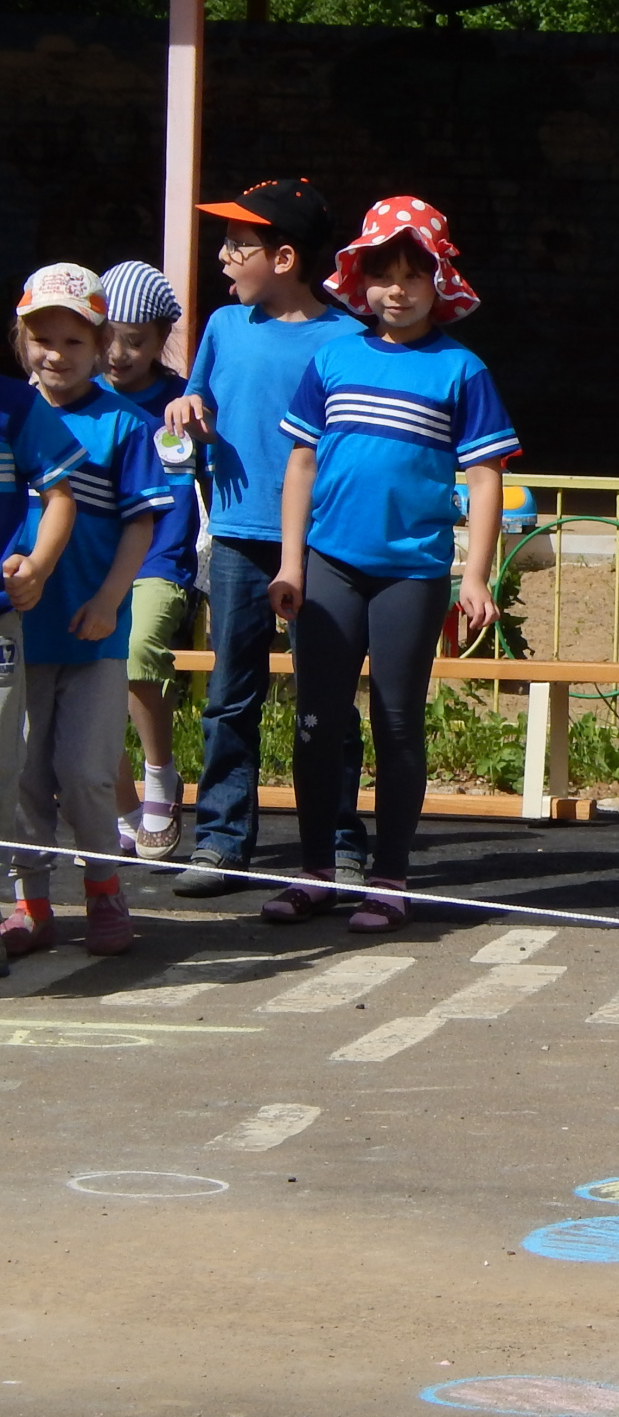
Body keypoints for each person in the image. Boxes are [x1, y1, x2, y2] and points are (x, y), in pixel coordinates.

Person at [263, 197, 514, 933]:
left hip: (411, 571)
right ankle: (315, 871)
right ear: (359, 279)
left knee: (398, 720)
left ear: (440, 283)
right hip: (328, 565)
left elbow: (487, 476)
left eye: (414, 275)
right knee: (316, 721)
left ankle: (391, 877)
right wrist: (291, 565)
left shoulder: (461, 371)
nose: (397, 290)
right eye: (384, 274)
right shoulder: (332, 357)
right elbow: (301, 462)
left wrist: (473, 575)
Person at [162, 178, 370, 898]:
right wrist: (188, 408)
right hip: (237, 539)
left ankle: (340, 843)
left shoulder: (347, 339)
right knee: (229, 694)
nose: (222, 258)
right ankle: (221, 840)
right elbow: (200, 410)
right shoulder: (223, 327)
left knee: (327, 699)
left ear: (284, 257)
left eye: (236, 245)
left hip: (320, 547)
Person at [4, 265, 174, 958]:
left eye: (74, 340)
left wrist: (110, 600)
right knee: (20, 772)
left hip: (93, 630)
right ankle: (31, 901)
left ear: (98, 344)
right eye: (42, 338)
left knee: (85, 769)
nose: (56, 353)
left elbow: (142, 523)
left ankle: (104, 887)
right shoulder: (14, 414)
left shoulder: (123, 426)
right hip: (18, 631)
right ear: (21, 340)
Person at [95, 262, 201, 864]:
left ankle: (160, 773)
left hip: (160, 554)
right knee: (89, 675)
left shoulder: (181, 401)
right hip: (85, 560)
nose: (118, 353)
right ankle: (121, 803)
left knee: (136, 655)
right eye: (108, 336)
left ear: (162, 338)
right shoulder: (77, 397)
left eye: (135, 341)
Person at [0, 334, 89, 979]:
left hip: (0, 621)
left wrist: (38, 564)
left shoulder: (16, 409)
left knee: (3, 771)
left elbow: (62, 495)